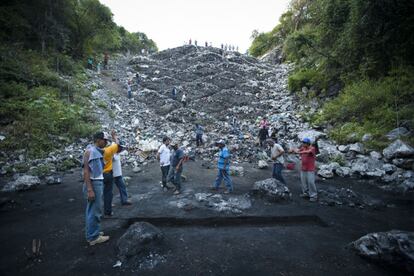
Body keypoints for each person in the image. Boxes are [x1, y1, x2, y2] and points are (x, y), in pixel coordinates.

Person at [82, 131, 111, 245]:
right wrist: (90, 189)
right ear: (98, 140)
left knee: (94, 209)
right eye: (105, 140)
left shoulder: (96, 151)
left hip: (97, 182)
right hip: (93, 183)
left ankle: (94, 232)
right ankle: (93, 237)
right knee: (94, 210)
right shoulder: (90, 152)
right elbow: (86, 171)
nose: (106, 142)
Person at [289, 138, 318, 202]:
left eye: (304, 143)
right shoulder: (303, 148)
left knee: (311, 182)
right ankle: (306, 193)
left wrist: (299, 152)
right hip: (303, 168)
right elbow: (297, 150)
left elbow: (308, 152)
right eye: (303, 143)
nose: (303, 144)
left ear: (307, 143)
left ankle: (313, 196)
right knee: (303, 182)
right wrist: (293, 150)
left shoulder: (312, 148)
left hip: (310, 169)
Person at [102, 131, 120, 217]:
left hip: (98, 175)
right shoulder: (109, 150)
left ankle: (97, 213)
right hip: (108, 174)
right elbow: (117, 144)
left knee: (98, 194)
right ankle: (108, 211)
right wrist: (114, 136)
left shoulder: (95, 151)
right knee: (108, 193)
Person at [112, 141, 132, 205]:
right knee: (109, 190)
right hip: (112, 175)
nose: (121, 149)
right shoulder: (113, 154)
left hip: (118, 174)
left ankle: (124, 200)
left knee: (122, 187)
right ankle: (108, 203)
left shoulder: (117, 153)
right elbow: (114, 144)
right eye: (120, 148)